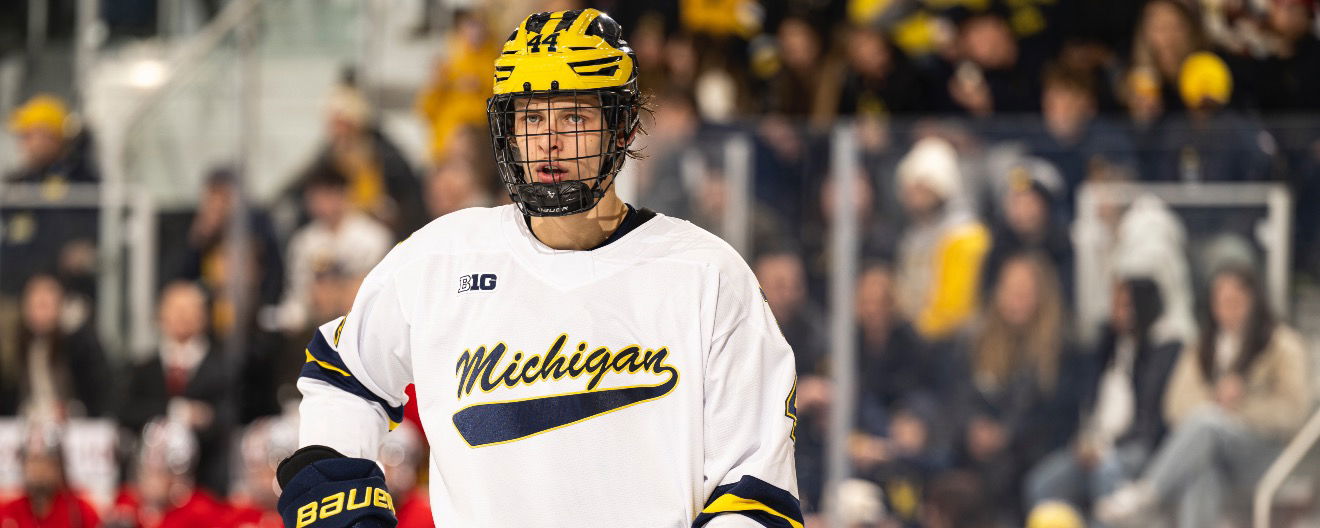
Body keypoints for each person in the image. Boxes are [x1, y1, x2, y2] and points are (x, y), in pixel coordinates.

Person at [279, 8, 801, 528]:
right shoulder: (441, 257)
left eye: (574, 117)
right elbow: (343, 375)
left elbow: (756, 487)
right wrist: (337, 493)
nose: (549, 140)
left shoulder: (707, 275)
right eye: (531, 117)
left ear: (620, 129)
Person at [1098, 266, 1311, 528]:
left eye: (1235, 302)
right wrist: (1215, 399)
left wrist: (1240, 404)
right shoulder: (1202, 346)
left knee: (1208, 422)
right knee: (1202, 469)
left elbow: (1293, 412)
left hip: (1264, 453)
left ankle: (1148, 492)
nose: (1227, 311)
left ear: (1254, 301)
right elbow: (1175, 406)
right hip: (1214, 451)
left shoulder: (1282, 345)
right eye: (1220, 302)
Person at [1025, 278, 1181, 515]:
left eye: (1125, 305)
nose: (1116, 312)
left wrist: (1108, 448)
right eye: (1115, 304)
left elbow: (1149, 421)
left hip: (1136, 446)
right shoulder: (1103, 346)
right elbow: (1086, 406)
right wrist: (1085, 441)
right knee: (1042, 483)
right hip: (1093, 443)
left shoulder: (1162, 352)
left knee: (1107, 473)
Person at [119, 282, 235, 496]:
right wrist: (176, 412)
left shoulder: (223, 368)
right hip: (149, 486)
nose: (183, 316)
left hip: (206, 485)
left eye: (190, 309)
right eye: (175, 309)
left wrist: (207, 419)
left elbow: (230, 417)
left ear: (204, 316)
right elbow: (126, 412)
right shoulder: (143, 368)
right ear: (160, 316)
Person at [893, 137, 990, 342]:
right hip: (918, 337)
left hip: (954, 343)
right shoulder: (913, 236)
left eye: (923, 187)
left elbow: (956, 310)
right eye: (911, 188)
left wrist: (915, 330)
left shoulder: (964, 236)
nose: (915, 196)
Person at [276, 164, 393, 334]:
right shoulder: (303, 241)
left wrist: (339, 294)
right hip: (316, 326)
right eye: (315, 196)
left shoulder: (374, 237)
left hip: (363, 325)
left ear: (343, 194)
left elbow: (379, 290)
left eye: (328, 194)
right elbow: (298, 293)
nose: (322, 204)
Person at [0, 274, 110, 419]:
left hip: (76, 423)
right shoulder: (20, 342)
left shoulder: (76, 343)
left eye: (44, 305)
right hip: (29, 423)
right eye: (32, 305)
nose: (37, 313)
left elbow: (98, 391)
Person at [0, 422, 102, 527]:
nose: (39, 470)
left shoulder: (80, 512)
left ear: (59, 467)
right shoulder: (7, 513)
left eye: (46, 462)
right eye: (33, 461)